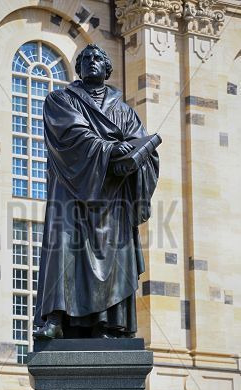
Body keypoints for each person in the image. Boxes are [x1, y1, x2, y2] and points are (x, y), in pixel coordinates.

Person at [34, 44, 160, 339]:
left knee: (112, 253)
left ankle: (106, 323)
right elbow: (71, 135)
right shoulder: (60, 99)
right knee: (63, 248)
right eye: (86, 58)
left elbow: (142, 148)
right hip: (71, 189)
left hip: (112, 194)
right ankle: (56, 319)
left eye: (98, 58)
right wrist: (112, 149)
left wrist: (137, 157)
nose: (92, 61)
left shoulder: (125, 111)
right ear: (78, 69)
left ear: (107, 68)